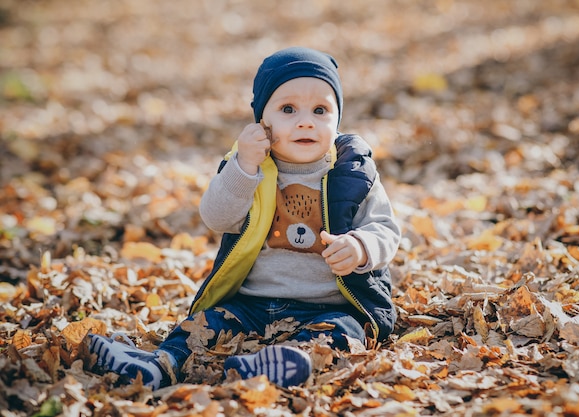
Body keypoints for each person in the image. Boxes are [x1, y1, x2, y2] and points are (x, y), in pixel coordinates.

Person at [87, 47, 401, 390]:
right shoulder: (249, 167)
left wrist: (360, 246)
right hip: (252, 303)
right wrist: (243, 168)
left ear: (337, 119)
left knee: (341, 333)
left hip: (330, 305)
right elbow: (216, 218)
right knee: (204, 325)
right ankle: (158, 365)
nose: (306, 121)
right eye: (288, 109)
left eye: (321, 110)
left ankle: (284, 364)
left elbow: (385, 228)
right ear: (262, 121)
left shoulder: (351, 171)